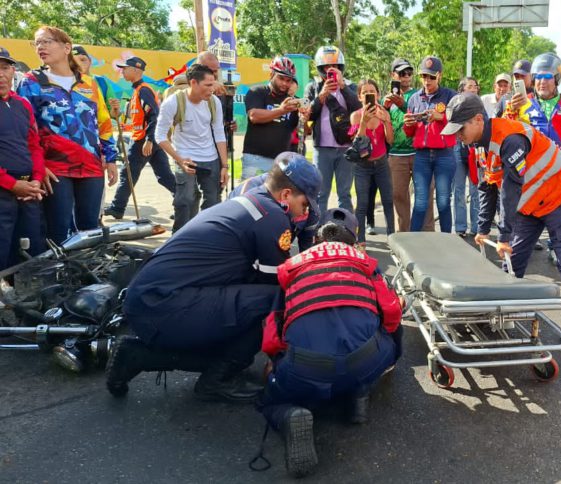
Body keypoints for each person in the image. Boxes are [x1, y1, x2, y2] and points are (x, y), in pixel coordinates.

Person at [105, 153, 322, 403]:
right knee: (274, 301)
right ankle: (216, 379)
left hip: (150, 301)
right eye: (305, 204)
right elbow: (278, 284)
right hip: (163, 307)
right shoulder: (271, 216)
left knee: (248, 306)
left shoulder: (250, 199)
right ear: (286, 195)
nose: (304, 211)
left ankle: (138, 355)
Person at [257, 208, 402, 478]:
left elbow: (272, 332)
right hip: (365, 359)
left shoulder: (291, 267)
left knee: (272, 400)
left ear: (316, 239)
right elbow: (392, 312)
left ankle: (290, 413)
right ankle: (359, 389)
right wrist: (386, 339)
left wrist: (274, 363)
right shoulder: (366, 262)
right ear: (355, 240)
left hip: (307, 366)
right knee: (387, 322)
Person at [442, 93, 561, 342]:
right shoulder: (479, 145)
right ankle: (502, 311)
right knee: (513, 260)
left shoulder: (509, 139)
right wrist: (482, 229)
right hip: (531, 204)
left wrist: (505, 235)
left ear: (478, 119)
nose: (457, 136)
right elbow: (487, 186)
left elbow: (511, 188)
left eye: (460, 129)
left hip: (559, 197)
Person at [17, 26, 118, 244]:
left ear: (66, 47)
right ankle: (60, 275)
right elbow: (24, 128)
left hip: (91, 165)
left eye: (47, 41)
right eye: (37, 43)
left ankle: (88, 274)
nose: (40, 47)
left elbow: (103, 122)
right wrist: (38, 166)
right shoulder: (31, 82)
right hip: (54, 168)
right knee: (59, 229)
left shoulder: (89, 83)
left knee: (90, 227)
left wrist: (110, 159)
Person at [154, 63, 228, 232]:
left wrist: (224, 166)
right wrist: (180, 160)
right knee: (185, 200)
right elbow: (159, 136)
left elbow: (219, 133)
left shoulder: (213, 102)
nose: (212, 89)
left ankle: (205, 236)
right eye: (208, 85)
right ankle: (179, 238)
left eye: (213, 84)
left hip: (211, 158)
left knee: (213, 202)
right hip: (185, 157)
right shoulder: (173, 102)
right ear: (193, 83)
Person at [104, 56, 176, 219]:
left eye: (125, 68)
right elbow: (141, 118)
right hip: (147, 139)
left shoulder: (143, 90)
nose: (122, 71)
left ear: (136, 70)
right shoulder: (137, 90)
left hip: (143, 141)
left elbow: (154, 115)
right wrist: (126, 127)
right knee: (164, 175)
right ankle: (183, 202)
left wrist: (149, 140)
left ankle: (117, 208)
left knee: (127, 173)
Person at [0, 47, 46, 270]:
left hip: (29, 190)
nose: (1, 74)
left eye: (5, 67)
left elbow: (34, 146)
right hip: (4, 189)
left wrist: (36, 179)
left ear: (12, 71)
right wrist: (12, 184)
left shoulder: (23, 104)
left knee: (30, 250)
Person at [403, 56, 458, 232]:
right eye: (424, 77)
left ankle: (447, 240)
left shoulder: (450, 96)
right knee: (420, 201)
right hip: (422, 154)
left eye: (431, 77)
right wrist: (408, 124)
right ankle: (412, 243)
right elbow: (409, 133)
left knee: (443, 201)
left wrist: (440, 117)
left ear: (439, 76)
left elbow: (457, 124)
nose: (427, 81)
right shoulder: (414, 99)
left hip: (445, 154)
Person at [306, 45, 362, 213]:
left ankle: (347, 230)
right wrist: (322, 94)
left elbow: (359, 108)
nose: (332, 71)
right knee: (320, 193)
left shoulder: (350, 87)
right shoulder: (313, 87)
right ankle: (317, 230)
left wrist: (342, 87)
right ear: (320, 69)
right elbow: (309, 114)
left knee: (344, 194)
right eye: (327, 68)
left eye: (336, 67)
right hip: (322, 149)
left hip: (345, 147)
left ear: (341, 68)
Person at [384, 58, 434, 232]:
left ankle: (427, 234)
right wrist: (384, 108)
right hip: (396, 154)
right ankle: (404, 235)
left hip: (419, 152)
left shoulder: (418, 95)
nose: (406, 77)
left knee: (425, 195)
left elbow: (421, 117)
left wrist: (403, 105)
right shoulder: (387, 99)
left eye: (409, 73)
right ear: (393, 75)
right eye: (401, 73)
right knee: (398, 195)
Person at [350, 79, 395, 248]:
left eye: (372, 92)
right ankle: (360, 241)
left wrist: (386, 121)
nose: (369, 95)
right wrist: (363, 122)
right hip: (362, 166)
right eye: (365, 93)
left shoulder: (384, 112)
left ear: (378, 95)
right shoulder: (355, 116)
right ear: (360, 97)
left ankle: (392, 240)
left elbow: (390, 140)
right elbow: (357, 144)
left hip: (382, 164)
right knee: (362, 204)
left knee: (388, 202)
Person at [242, 55, 301, 180]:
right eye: (281, 78)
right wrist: (281, 110)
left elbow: (302, 131)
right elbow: (254, 116)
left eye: (288, 80)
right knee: (249, 196)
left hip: (281, 161)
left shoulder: (294, 101)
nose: (285, 83)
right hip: (255, 157)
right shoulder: (257, 92)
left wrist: (304, 117)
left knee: (277, 199)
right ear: (271, 74)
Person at [453, 76, 481, 236]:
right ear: (462, 89)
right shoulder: (456, 104)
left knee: (476, 189)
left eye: (475, 86)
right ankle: (460, 227)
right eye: (470, 86)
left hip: (475, 150)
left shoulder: (480, 106)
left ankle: (477, 228)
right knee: (458, 189)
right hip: (458, 148)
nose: (473, 88)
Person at [71, 44, 120, 119]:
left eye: (83, 60)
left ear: (90, 61)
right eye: (74, 61)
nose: (79, 64)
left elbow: (113, 114)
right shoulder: (65, 83)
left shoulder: (101, 82)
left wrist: (115, 109)